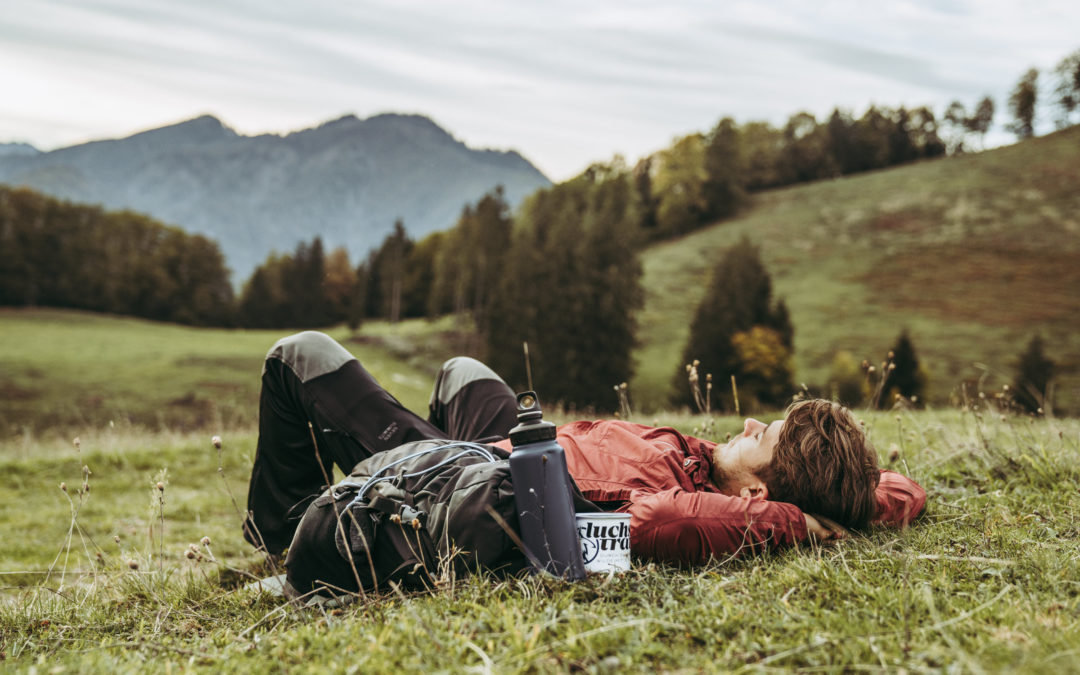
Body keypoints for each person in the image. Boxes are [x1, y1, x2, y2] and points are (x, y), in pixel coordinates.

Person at [243, 331, 926, 575]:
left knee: (299, 357)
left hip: (478, 474)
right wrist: (848, 501)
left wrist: (788, 522)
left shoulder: (696, 507)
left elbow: (655, 526)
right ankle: (377, 487)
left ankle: (286, 536)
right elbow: (895, 492)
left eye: (762, 436)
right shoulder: (720, 469)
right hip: (506, 441)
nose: (749, 422)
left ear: (757, 497)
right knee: (461, 370)